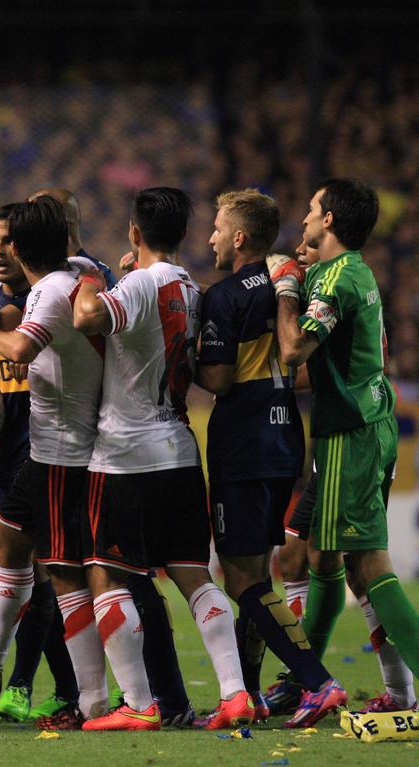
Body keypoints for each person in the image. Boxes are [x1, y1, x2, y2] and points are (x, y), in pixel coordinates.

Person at [72, 187, 252, 731]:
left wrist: (90, 275)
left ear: (134, 233)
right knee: (195, 574)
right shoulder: (189, 287)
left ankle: (140, 704)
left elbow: (87, 318)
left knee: (106, 574)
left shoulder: (136, 285)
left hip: (126, 454)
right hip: (177, 445)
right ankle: (236, 693)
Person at [0, 197, 108, 730]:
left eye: (9, 240)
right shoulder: (73, 279)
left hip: (64, 445)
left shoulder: (58, 287)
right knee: (14, 545)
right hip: (39, 448)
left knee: (66, 573)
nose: (1, 249)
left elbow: (14, 341)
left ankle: (90, 697)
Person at [269, 177, 419, 726]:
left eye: (312, 209)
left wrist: (287, 287)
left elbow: (293, 350)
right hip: (364, 423)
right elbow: (325, 368)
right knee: (328, 560)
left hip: (351, 434)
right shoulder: (349, 272)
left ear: (329, 219)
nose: (305, 217)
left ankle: (309, 681)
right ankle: (319, 681)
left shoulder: (334, 281)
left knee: (367, 564)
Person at [197, 189, 342, 726]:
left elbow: (218, 376)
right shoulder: (291, 283)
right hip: (284, 441)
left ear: (238, 238)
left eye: (216, 228)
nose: (209, 237)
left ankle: (317, 681)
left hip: (242, 444)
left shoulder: (224, 294)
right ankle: (252, 694)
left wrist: (178, 359)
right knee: (257, 579)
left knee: (242, 582)